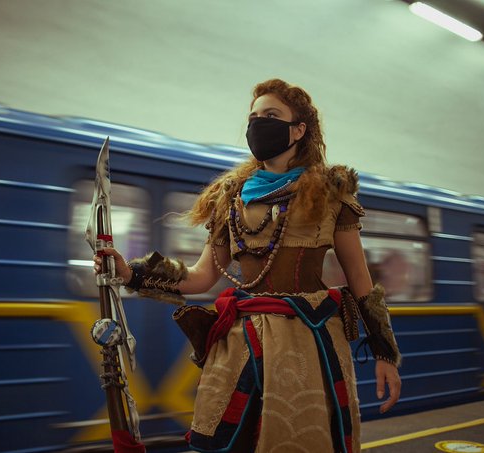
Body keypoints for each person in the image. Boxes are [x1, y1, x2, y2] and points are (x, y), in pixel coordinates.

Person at [94, 79, 401, 453]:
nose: (258, 124)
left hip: (307, 344)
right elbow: (201, 276)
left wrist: (385, 353)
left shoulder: (330, 194)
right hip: (240, 344)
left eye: (271, 115)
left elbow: (360, 278)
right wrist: (132, 273)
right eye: (253, 117)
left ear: (298, 129)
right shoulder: (231, 198)